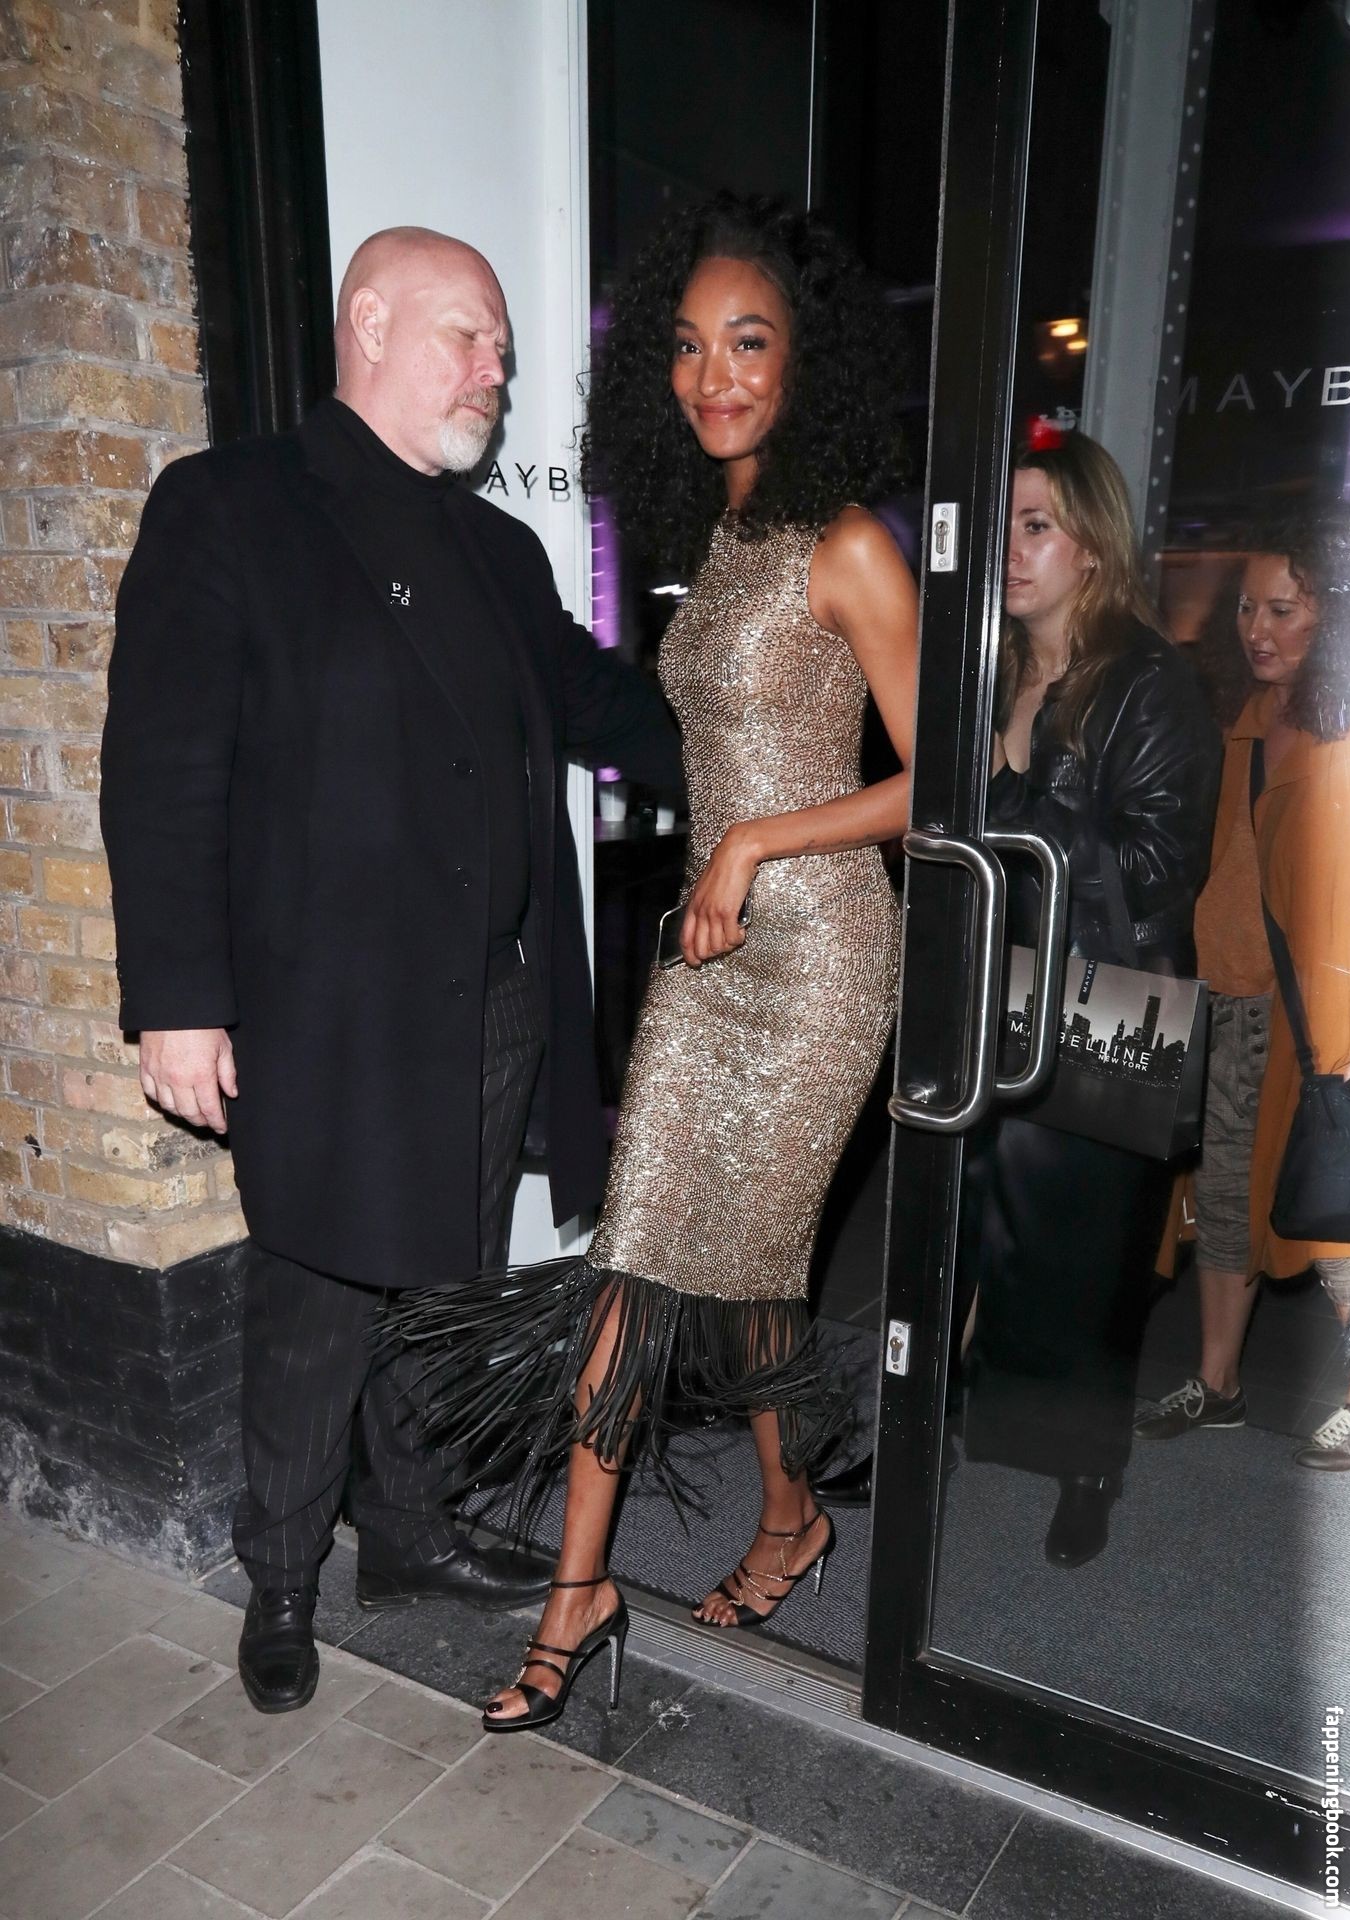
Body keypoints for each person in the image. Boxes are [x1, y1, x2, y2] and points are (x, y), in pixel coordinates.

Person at [100, 226, 684, 1714]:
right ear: (368, 322)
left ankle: (411, 1532)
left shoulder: (500, 551)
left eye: (502, 349)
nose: (497, 369)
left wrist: (769, 741)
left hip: (489, 1002)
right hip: (331, 1006)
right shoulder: (233, 506)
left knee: (443, 1285)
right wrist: (180, 1001)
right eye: (468, 336)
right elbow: (163, 770)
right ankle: (283, 1573)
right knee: (319, 1296)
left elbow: (596, 702)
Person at [388, 192, 918, 1730]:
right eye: (686, 347)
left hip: (818, 955)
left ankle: (624, 1577)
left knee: (728, 1260)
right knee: (662, 1259)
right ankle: (726, 1535)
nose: (713, 375)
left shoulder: (846, 545)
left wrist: (753, 846)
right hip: (709, 944)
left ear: (804, 356)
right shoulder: (720, 534)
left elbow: (950, 778)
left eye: (747, 342)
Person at [960, 431, 1220, 1567]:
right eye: (1004, 527)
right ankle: (966, 1416)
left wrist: (1014, 793)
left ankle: (1087, 1469)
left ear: (1094, 550)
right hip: (998, 983)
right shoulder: (990, 669)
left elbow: (1161, 869)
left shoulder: (1148, 682)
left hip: (1115, 1001)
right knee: (981, 1221)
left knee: (1089, 1257)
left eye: (1037, 526)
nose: (1011, 550)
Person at [1137, 507, 1350, 1467]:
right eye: (1245, 609)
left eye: (1282, 611)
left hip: (1318, 1016)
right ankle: (1217, 1383)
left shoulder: (1344, 735)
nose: (1255, 630)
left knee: (1336, 1206)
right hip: (1228, 1001)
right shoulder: (1245, 715)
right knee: (1225, 1198)